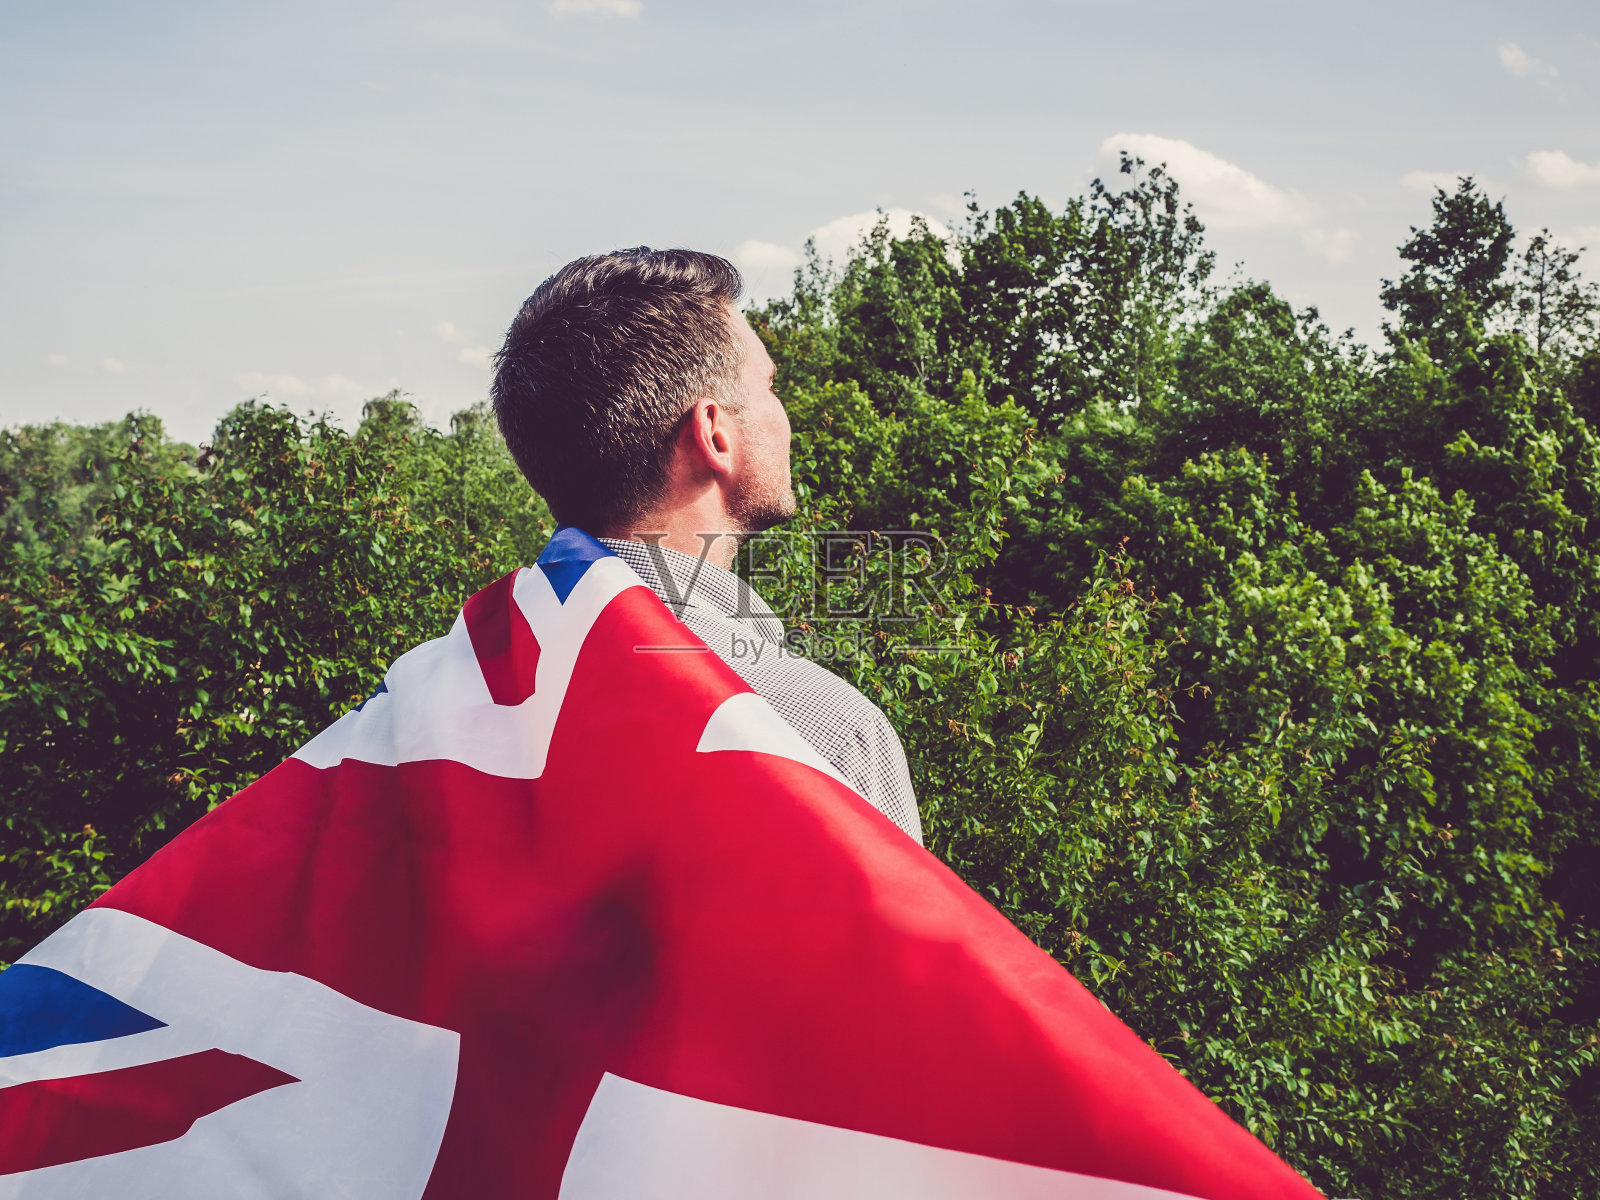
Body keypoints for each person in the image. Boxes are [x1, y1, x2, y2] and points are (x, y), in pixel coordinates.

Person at [490, 247, 922, 844]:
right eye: (770, 386)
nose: (784, 415)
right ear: (714, 432)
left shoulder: (434, 701)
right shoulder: (820, 730)